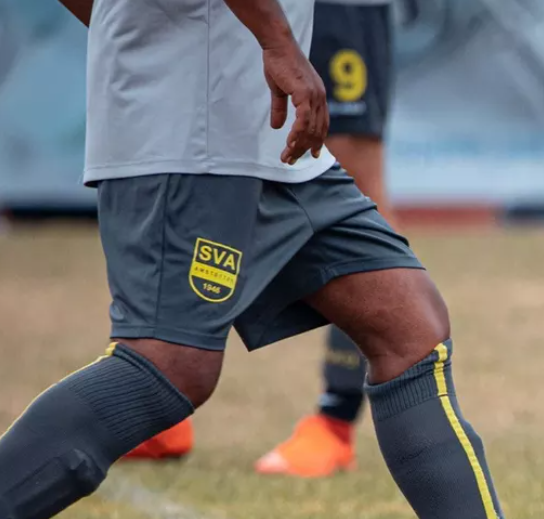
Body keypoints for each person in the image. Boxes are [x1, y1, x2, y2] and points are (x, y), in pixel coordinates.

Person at [0, 0, 544, 519]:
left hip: (269, 139)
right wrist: (272, 45)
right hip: (194, 128)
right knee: (168, 365)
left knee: (407, 322)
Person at [127, 0, 395, 475]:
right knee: (198, 174)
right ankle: (159, 395)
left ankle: (335, 419)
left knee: (357, 187)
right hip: (230, 11)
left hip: (338, 10)